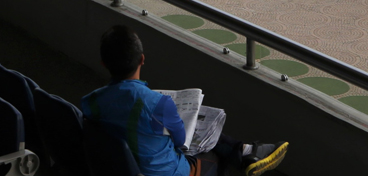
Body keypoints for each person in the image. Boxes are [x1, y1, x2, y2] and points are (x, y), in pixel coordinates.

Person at [82, 26, 288, 176]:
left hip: (121, 166)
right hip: (164, 172)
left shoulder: (91, 102)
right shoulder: (158, 103)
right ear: (142, 59)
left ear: (103, 64)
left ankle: (247, 152)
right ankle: (245, 155)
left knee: (206, 134)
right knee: (215, 154)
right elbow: (182, 142)